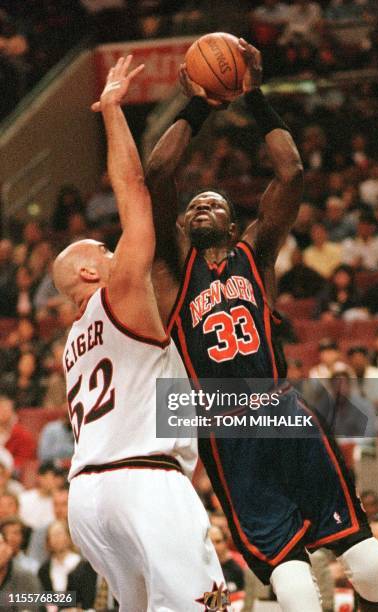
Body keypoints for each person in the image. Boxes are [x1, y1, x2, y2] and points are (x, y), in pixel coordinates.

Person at [145, 39, 378, 611]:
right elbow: (158, 171)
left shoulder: (254, 255)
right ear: (184, 225)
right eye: (194, 207)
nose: (201, 207)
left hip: (281, 405)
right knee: (292, 588)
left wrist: (252, 95)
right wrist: (201, 104)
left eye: (214, 203)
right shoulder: (172, 269)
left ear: (236, 221)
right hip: (223, 423)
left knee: (373, 565)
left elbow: (291, 170)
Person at [53, 56, 224, 611]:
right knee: (206, 607)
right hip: (143, 481)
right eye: (102, 252)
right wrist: (112, 111)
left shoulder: (69, 349)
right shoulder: (119, 293)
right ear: (87, 274)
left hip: (87, 498)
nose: (114, 252)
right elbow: (133, 189)